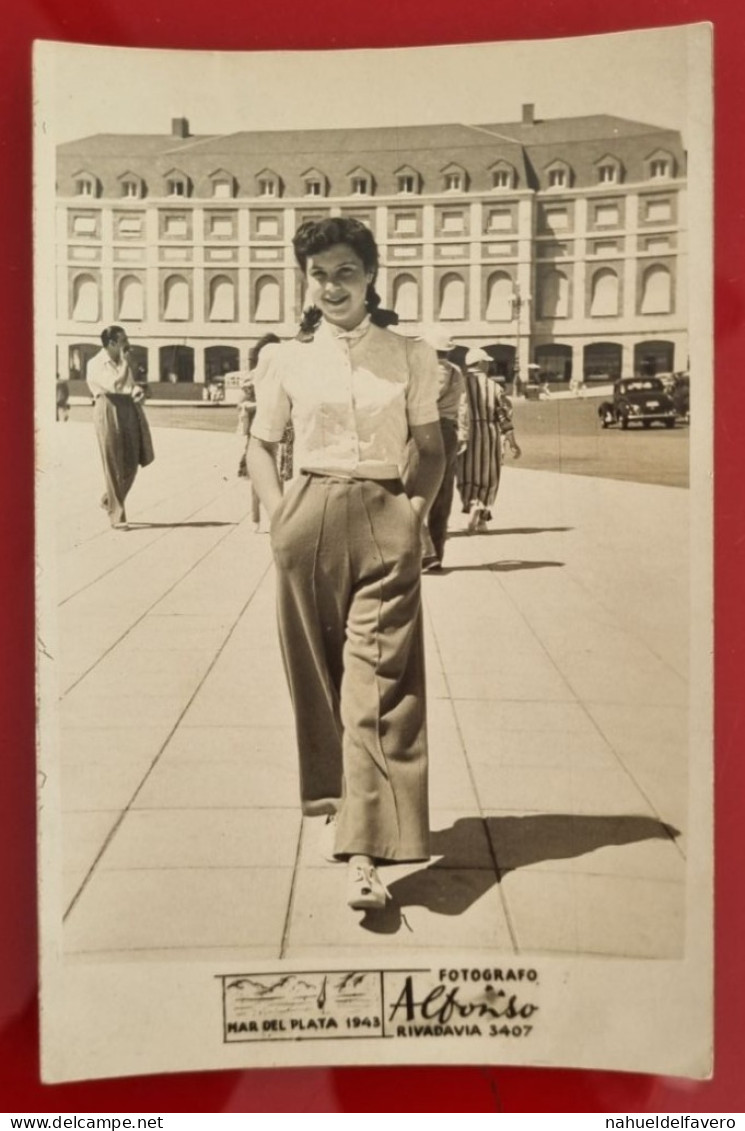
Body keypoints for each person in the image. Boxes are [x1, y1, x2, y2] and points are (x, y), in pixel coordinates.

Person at [247, 217, 444, 912]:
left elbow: (432, 446)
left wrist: (413, 515)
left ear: (370, 276)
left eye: (344, 272)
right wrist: (278, 517)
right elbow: (260, 444)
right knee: (318, 681)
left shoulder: (411, 356)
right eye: (319, 274)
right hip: (306, 517)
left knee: (377, 688)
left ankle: (363, 853)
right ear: (306, 282)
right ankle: (338, 801)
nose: (332, 286)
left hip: (384, 517)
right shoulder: (285, 359)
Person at [86, 325, 153, 530]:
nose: (127, 344)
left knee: (133, 460)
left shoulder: (123, 363)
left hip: (128, 407)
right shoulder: (95, 363)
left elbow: (128, 385)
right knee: (114, 462)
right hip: (107, 407)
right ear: (112, 343)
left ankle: (109, 500)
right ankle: (117, 516)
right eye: (123, 340)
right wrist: (125, 363)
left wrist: (137, 391)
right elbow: (113, 385)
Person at [457, 346, 521, 533]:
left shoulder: (459, 384)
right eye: (487, 362)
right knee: (489, 475)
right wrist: (512, 442)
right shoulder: (495, 387)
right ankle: (482, 512)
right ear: (481, 363)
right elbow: (504, 417)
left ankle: (473, 504)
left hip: (465, 434)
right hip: (488, 432)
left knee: (466, 473)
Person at [419, 329, 469, 570]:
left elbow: (429, 398)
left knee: (412, 489)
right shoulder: (457, 371)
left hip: (428, 428)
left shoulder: (433, 370)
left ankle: (424, 551)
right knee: (442, 493)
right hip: (448, 430)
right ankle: (436, 552)